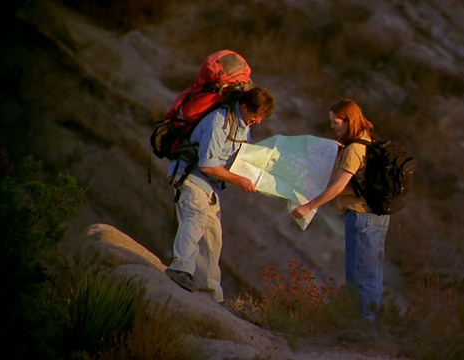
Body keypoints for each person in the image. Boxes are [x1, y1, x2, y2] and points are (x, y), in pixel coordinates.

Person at [165, 87, 276, 303]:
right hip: (192, 177)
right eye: (256, 116)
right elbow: (208, 165)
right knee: (194, 219)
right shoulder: (219, 122)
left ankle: (211, 294)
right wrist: (240, 180)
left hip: (211, 186)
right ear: (243, 106)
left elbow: (237, 158)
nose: (258, 121)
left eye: (261, 117)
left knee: (213, 238)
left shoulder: (243, 125)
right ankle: (180, 268)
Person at [291, 98, 390, 321]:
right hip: (376, 215)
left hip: (361, 216)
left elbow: (338, 186)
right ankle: (367, 324)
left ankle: (365, 328)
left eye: (336, 122)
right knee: (371, 273)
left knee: (360, 276)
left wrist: (309, 206)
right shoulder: (368, 139)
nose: (333, 126)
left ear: (348, 121)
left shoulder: (355, 148)